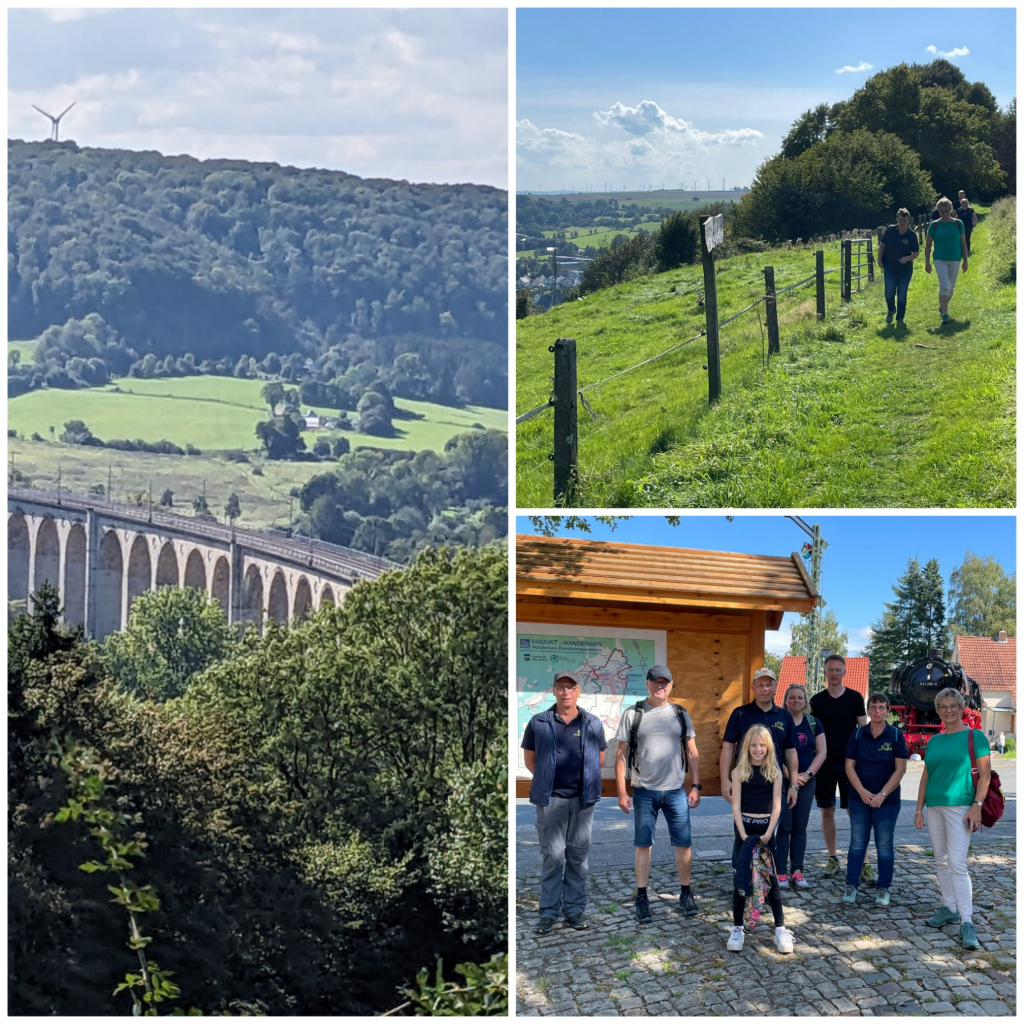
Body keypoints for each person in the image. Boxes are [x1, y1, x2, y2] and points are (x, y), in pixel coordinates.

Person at [614, 665, 702, 923]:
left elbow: (692, 751)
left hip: (676, 790)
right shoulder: (633, 714)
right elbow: (620, 756)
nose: (660, 686)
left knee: (684, 844)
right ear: (648, 683)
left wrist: (696, 786)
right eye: (656, 682)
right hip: (643, 791)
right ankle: (642, 896)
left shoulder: (680, 713)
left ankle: (685, 893)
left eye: (665, 682)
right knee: (643, 845)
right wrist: (621, 791)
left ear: (671, 685)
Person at [522, 669, 607, 934]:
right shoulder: (538, 722)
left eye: (571, 687)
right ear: (554, 690)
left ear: (579, 691)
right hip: (551, 801)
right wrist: (548, 781)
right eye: (561, 687)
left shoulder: (592, 723)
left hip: (583, 801)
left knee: (578, 859)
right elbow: (530, 760)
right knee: (553, 856)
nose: (565, 692)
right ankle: (548, 913)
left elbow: (600, 759)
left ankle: (574, 911)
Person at [914, 687, 992, 951]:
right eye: (943, 706)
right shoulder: (934, 741)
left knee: (957, 863)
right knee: (941, 860)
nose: (948, 710)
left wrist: (977, 806)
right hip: (935, 807)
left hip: (962, 807)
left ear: (961, 708)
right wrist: (918, 809)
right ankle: (949, 907)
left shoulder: (975, 736)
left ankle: (967, 921)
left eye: (953, 706)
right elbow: (926, 776)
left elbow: (985, 775)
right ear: (937, 710)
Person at [726, 724, 794, 954]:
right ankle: (737, 928)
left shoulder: (774, 772)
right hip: (744, 830)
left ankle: (780, 929)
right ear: (747, 747)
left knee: (771, 879)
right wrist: (743, 835)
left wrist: (769, 833)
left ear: (768, 747)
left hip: (766, 831)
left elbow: (777, 805)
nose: (758, 749)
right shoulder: (738, 773)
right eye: (753, 745)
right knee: (741, 877)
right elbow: (735, 806)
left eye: (761, 745)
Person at [842, 693, 909, 908]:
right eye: (873, 707)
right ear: (868, 710)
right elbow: (849, 765)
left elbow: (900, 769)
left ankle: (883, 888)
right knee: (857, 843)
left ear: (888, 711)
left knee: (884, 845)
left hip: (887, 801)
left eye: (881, 707)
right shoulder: (858, 733)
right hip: (859, 798)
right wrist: (861, 791)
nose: (877, 711)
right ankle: (851, 885)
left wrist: (882, 794)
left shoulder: (896, 736)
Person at [809, 655, 871, 881]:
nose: (834, 673)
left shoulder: (855, 698)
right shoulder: (816, 701)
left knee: (855, 812)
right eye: (830, 670)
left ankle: (863, 862)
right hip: (824, 763)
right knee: (827, 811)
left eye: (838, 669)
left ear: (844, 672)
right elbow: (812, 732)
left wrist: (864, 760)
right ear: (824, 673)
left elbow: (863, 731)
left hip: (850, 764)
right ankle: (833, 858)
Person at [720, 666, 799, 810]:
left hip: (774, 787)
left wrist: (793, 785)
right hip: (744, 786)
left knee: (776, 831)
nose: (765, 689)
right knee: (744, 831)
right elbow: (728, 748)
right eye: (760, 685)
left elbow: (791, 752)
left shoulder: (785, 716)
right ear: (753, 687)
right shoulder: (740, 714)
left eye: (769, 685)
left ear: (775, 687)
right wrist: (725, 780)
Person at [775, 684, 826, 889]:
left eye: (800, 698)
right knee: (784, 826)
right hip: (783, 780)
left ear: (805, 702)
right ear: (786, 700)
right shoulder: (779, 722)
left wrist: (807, 774)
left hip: (806, 781)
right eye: (792, 697)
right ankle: (780, 872)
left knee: (800, 827)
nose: (796, 701)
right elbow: (775, 753)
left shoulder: (813, 723)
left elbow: (821, 752)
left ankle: (797, 870)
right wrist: (791, 776)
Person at [924, 197, 968, 324]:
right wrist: (927, 262)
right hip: (939, 259)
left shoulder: (958, 224)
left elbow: (963, 243)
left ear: (951, 210)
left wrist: (965, 259)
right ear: (938, 211)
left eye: (947, 210)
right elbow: (927, 245)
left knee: (951, 288)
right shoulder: (934, 225)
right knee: (944, 285)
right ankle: (945, 313)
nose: (944, 213)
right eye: (942, 211)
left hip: (955, 258)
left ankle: (943, 304)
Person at [877, 208, 919, 328]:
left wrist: (907, 258)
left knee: (902, 294)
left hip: (905, 270)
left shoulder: (911, 235)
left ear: (908, 220)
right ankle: (891, 310)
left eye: (904, 220)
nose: (902, 222)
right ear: (897, 219)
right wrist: (879, 259)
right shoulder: (890, 230)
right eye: (900, 219)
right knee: (889, 293)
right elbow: (882, 245)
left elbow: (916, 253)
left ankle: (900, 318)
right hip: (889, 267)